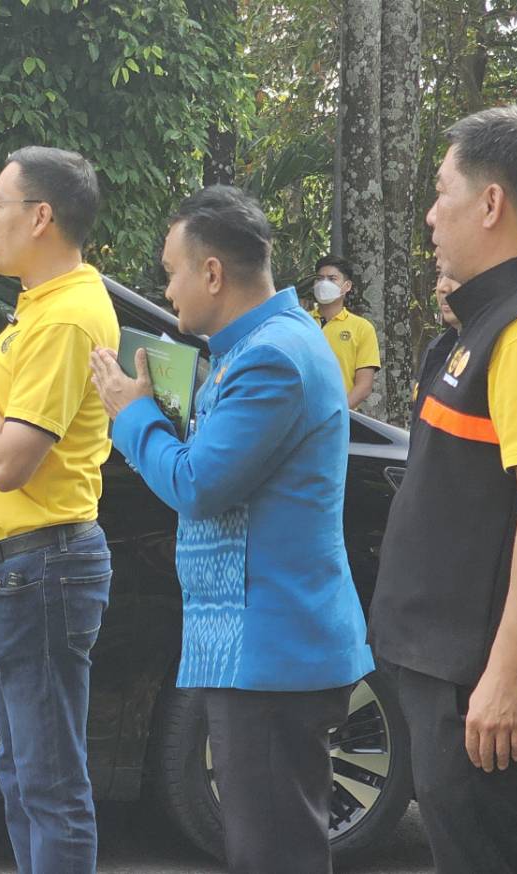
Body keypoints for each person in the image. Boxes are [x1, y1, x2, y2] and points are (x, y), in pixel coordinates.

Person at [87, 185, 373, 874]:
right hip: (257, 649)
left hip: (273, 652)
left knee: (273, 852)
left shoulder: (274, 357)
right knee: (265, 846)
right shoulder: (260, 347)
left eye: (172, 271)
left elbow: (198, 484)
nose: (167, 289)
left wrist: (131, 415)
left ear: (212, 272)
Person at [368, 105, 517, 874]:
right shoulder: (494, 319)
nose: (432, 215)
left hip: (476, 682)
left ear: (491, 203)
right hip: (452, 670)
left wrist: (505, 675)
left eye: (443, 192)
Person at [0, 145, 118, 874]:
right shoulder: (41, 307)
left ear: (40, 217)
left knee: (48, 781)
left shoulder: (65, 319)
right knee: (23, 771)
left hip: (41, 568)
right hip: (16, 570)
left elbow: (9, 462)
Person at [309, 254, 381, 410]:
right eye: (319, 278)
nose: (324, 284)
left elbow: (364, 386)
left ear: (347, 286)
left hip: (341, 416)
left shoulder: (362, 328)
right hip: (300, 416)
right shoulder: (301, 322)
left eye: (332, 279)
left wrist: (336, 413)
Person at [411, 275, 461, 422]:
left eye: (453, 276)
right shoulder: (437, 347)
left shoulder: (495, 347)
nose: (442, 288)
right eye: (440, 276)